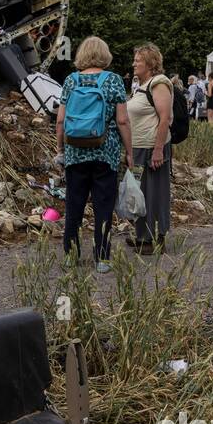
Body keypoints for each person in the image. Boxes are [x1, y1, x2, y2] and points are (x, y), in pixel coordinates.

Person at [55, 36, 132, 272]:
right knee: (103, 205)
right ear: (104, 54)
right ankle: (102, 259)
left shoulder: (71, 81)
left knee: (74, 204)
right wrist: (129, 151)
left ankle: (71, 255)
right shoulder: (114, 80)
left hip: (76, 152)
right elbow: (122, 119)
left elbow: (60, 120)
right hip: (105, 152)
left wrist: (60, 149)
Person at [127, 42, 173, 254]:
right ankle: (142, 235)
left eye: (138, 60)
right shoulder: (141, 86)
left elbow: (164, 119)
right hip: (139, 148)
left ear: (151, 63)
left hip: (151, 149)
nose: (134, 63)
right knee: (140, 193)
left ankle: (155, 239)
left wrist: (158, 151)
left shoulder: (159, 83)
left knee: (154, 193)